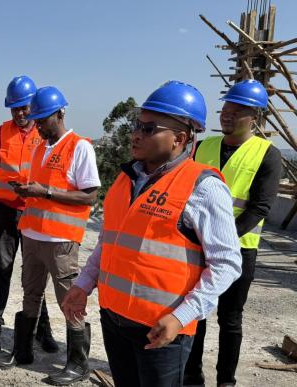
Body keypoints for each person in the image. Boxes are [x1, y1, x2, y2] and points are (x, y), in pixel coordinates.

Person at [63, 81, 243, 386]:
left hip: (161, 331)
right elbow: (110, 243)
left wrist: (181, 316)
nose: (136, 134)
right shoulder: (125, 179)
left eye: (149, 129)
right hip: (114, 320)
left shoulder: (203, 188)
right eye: (137, 125)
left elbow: (227, 264)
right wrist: (83, 284)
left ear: (179, 139)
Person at [0, 86, 100, 387]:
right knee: (30, 294)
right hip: (32, 235)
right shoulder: (40, 147)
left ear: (60, 113)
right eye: (36, 120)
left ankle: (77, 363)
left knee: (69, 299)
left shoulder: (80, 147)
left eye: (42, 120)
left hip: (61, 241)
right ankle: (23, 350)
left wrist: (47, 192)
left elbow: (90, 196)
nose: (37, 125)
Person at [185, 79, 283, 387]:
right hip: (195, 246)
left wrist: (222, 238)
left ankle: (225, 381)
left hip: (240, 250)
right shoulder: (203, 147)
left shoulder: (267, 154)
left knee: (229, 320)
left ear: (253, 116)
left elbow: (260, 208)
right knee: (194, 314)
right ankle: (191, 377)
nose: (226, 115)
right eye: (225, 108)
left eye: (236, 110)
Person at [0, 75, 57, 353]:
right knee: (1, 269)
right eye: (14, 108)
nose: (20, 113)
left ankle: (41, 327)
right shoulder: (1, 132)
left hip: (33, 212)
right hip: (4, 211)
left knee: (36, 273)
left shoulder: (44, 132)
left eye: (24, 107)